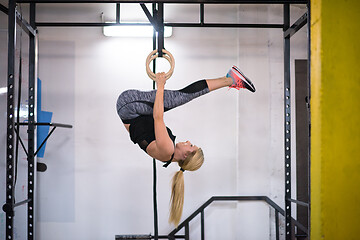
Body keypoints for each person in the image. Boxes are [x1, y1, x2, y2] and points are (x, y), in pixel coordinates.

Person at [116, 65, 255, 226]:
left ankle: (231, 78)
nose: (188, 142)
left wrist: (160, 84)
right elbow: (137, 129)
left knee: (180, 97)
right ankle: (229, 79)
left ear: (185, 156)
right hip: (130, 112)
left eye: (191, 146)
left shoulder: (167, 149)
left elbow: (158, 117)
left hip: (128, 106)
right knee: (179, 98)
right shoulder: (166, 154)